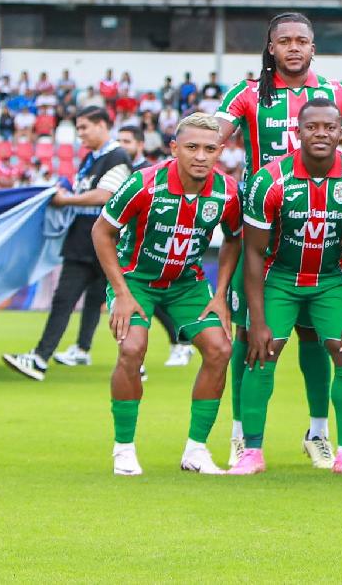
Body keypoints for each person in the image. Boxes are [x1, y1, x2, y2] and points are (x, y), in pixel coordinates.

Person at [215, 12, 342, 467]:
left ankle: (318, 433)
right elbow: (214, 135)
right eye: (283, 41)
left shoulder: (334, 96)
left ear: (313, 48)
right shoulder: (248, 94)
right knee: (251, 335)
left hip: (320, 228)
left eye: (301, 41)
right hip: (264, 226)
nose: (293, 48)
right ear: (271, 48)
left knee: (317, 338)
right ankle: (241, 435)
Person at [229, 98, 342, 477]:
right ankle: (251, 451)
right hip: (279, 278)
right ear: (298, 132)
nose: (320, 133)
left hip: (330, 280)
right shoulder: (270, 179)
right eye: (312, 127)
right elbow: (252, 253)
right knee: (261, 352)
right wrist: (257, 320)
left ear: (341, 133)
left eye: (329, 127)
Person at [92, 113, 242, 475]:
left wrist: (220, 293)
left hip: (186, 285)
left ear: (221, 150)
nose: (201, 156)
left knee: (221, 349)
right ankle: (124, 448)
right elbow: (101, 232)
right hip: (136, 280)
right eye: (192, 147)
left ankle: (196, 450)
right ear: (174, 148)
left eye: (210, 148)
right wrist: (121, 292)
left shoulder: (227, 191)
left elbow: (235, 238)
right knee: (131, 349)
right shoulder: (143, 184)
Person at [2, 107, 133, 380]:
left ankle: (40, 358)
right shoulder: (90, 159)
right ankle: (82, 352)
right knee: (96, 300)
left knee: (74, 299)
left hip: (100, 240)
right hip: (88, 239)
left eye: (85, 127)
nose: (80, 134)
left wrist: (66, 200)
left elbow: (104, 195)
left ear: (102, 125)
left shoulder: (116, 156)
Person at [117, 123, 194, 367]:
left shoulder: (147, 173)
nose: (122, 146)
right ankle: (85, 348)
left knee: (150, 302)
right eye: (119, 141)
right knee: (121, 300)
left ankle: (179, 344)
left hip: (149, 250)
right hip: (122, 246)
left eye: (127, 141)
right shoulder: (118, 170)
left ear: (140, 145)